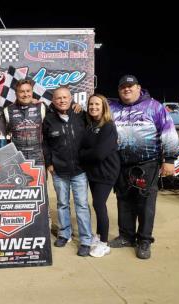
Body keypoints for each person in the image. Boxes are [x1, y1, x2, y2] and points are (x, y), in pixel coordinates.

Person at [109, 75, 179, 259]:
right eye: (123, 87)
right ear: (119, 90)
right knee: (123, 200)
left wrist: (170, 159)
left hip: (147, 164)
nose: (127, 89)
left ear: (139, 88)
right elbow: (93, 113)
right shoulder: (112, 108)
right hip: (121, 164)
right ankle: (126, 236)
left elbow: (169, 131)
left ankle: (145, 240)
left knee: (145, 203)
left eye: (130, 86)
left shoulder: (154, 106)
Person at [42, 86, 92, 256]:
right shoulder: (48, 120)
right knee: (62, 204)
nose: (62, 100)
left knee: (82, 205)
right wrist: (49, 163)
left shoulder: (81, 115)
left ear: (71, 99)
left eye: (65, 97)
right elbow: (46, 144)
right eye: (58, 98)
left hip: (80, 170)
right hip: (59, 171)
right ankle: (64, 234)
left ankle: (86, 240)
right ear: (53, 101)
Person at [79, 94, 120, 258]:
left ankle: (104, 243)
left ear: (104, 107)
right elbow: (89, 149)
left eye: (97, 104)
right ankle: (97, 235)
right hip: (94, 172)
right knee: (96, 205)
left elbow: (99, 154)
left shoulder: (108, 126)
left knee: (99, 204)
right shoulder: (90, 125)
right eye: (91, 104)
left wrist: (82, 154)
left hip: (106, 172)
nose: (93, 107)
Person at [3, 78, 46, 166]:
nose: (26, 94)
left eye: (28, 91)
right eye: (22, 91)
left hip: (38, 158)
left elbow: (59, 107)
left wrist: (73, 104)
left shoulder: (41, 107)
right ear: (16, 94)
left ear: (32, 92)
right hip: (17, 158)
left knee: (39, 180)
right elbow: (3, 135)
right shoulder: (7, 110)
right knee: (20, 180)